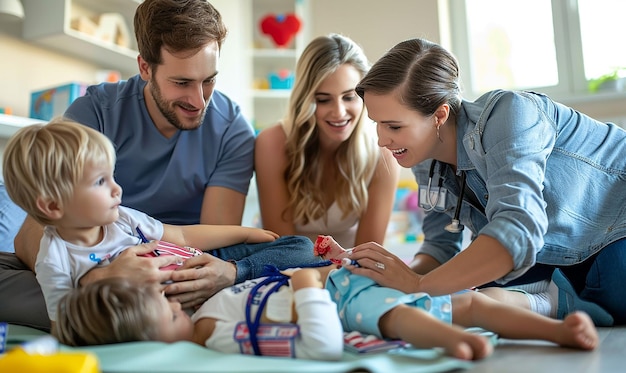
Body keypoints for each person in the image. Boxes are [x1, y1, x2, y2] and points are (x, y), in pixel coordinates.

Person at [0, 0, 321, 331]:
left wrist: (215, 274)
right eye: (182, 83)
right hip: (85, 263)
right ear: (145, 67)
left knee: (291, 251)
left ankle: (113, 316)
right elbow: (32, 234)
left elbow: (213, 245)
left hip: (177, 262)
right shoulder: (95, 112)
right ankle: (110, 310)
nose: (199, 101)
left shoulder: (231, 129)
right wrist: (99, 278)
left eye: (209, 80)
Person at [344, 37, 626, 326]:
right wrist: (398, 280)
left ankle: (553, 300)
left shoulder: (511, 113)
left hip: (614, 229)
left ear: (439, 115)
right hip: (553, 254)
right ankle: (554, 298)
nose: (381, 140)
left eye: (394, 126)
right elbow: (441, 248)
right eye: (377, 123)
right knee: (475, 289)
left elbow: (515, 231)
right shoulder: (423, 157)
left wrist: (418, 286)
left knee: (615, 274)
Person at [54, 235, 598, 362]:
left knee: (471, 299)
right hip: (334, 300)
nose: (180, 306)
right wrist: (310, 290)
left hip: (335, 279)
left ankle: (557, 326)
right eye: (170, 312)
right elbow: (320, 342)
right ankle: (463, 341)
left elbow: (275, 252)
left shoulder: (202, 313)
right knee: (408, 315)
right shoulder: (214, 336)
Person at [2, 119, 320, 329]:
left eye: (112, 176)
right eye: (100, 181)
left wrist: (246, 232)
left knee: (300, 246)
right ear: (53, 205)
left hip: (202, 265)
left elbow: (180, 234)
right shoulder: (55, 257)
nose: (117, 189)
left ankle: (247, 275)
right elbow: (65, 321)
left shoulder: (123, 218)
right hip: (176, 304)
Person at [255, 34, 399, 248]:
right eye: (323, 100)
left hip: (351, 272)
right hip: (287, 268)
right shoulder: (272, 143)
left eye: (349, 97)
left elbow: (368, 254)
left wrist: (337, 274)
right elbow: (283, 249)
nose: (339, 112)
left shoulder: (383, 153)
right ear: (305, 99)